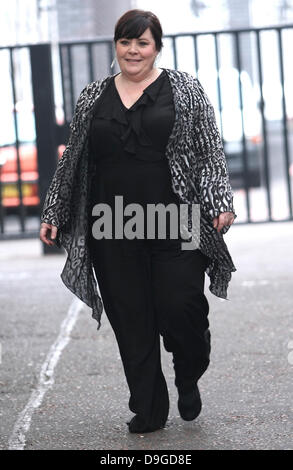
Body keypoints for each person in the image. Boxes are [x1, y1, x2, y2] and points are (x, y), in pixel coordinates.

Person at [39, 9, 237, 434]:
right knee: (131, 319)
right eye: (126, 41)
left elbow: (208, 150)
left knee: (180, 307)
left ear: (156, 47)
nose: (133, 50)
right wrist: (55, 210)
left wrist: (219, 199)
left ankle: (189, 371)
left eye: (142, 42)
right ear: (116, 45)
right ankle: (148, 408)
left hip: (175, 218)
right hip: (112, 223)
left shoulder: (184, 88)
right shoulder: (93, 95)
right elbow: (73, 158)